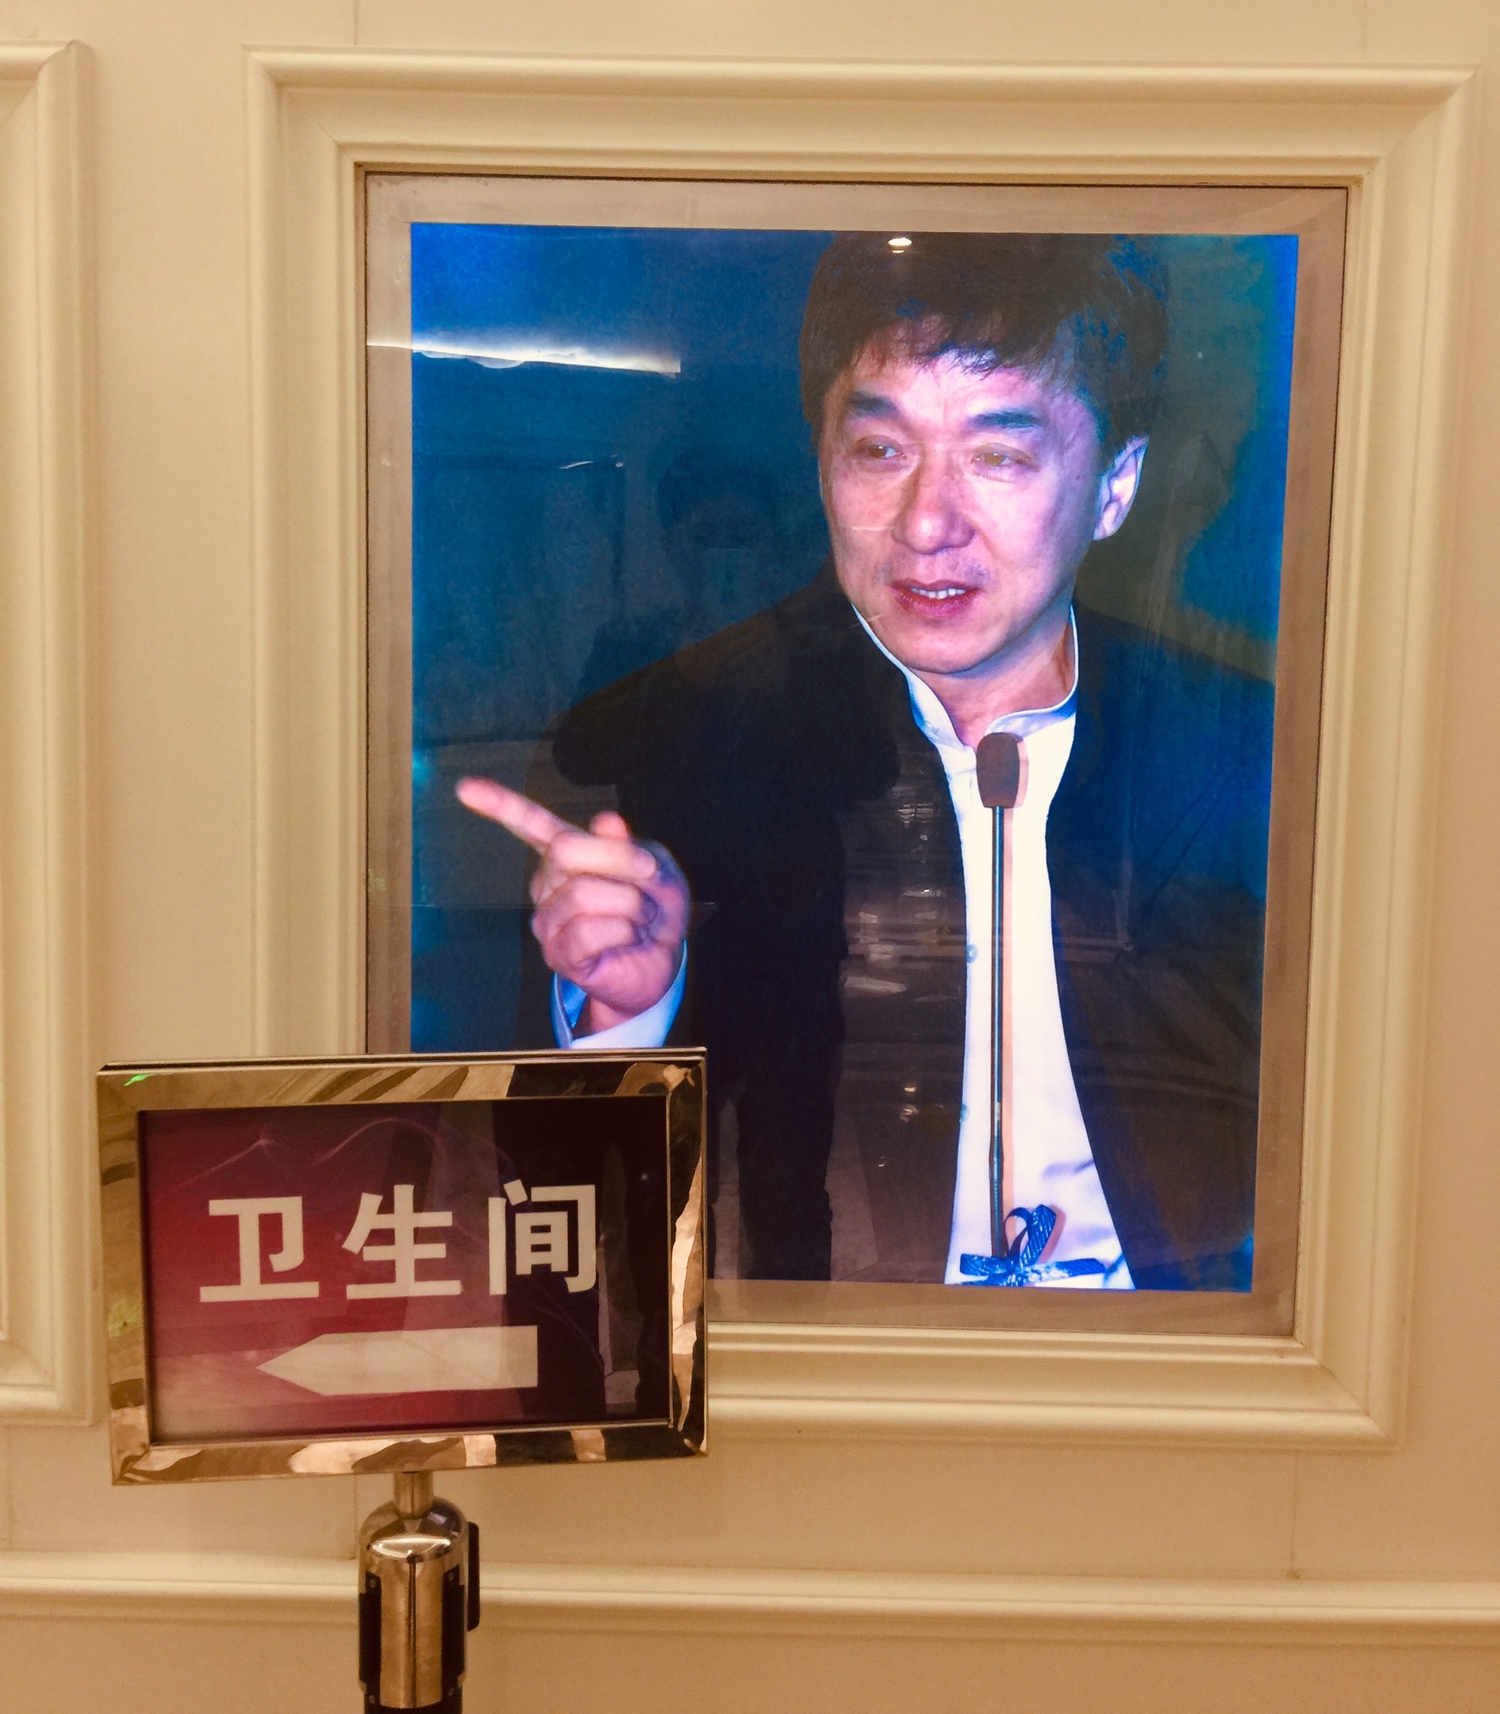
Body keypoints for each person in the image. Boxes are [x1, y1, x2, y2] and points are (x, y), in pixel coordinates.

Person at [458, 233, 1272, 1292]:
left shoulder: (1243, 752)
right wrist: (626, 1014)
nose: (926, 523)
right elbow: (559, 1235)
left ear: (1116, 485)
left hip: (1180, 1356)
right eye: (881, 450)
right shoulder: (681, 740)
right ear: (822, 462)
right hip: (831, 1353)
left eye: (999, 455)